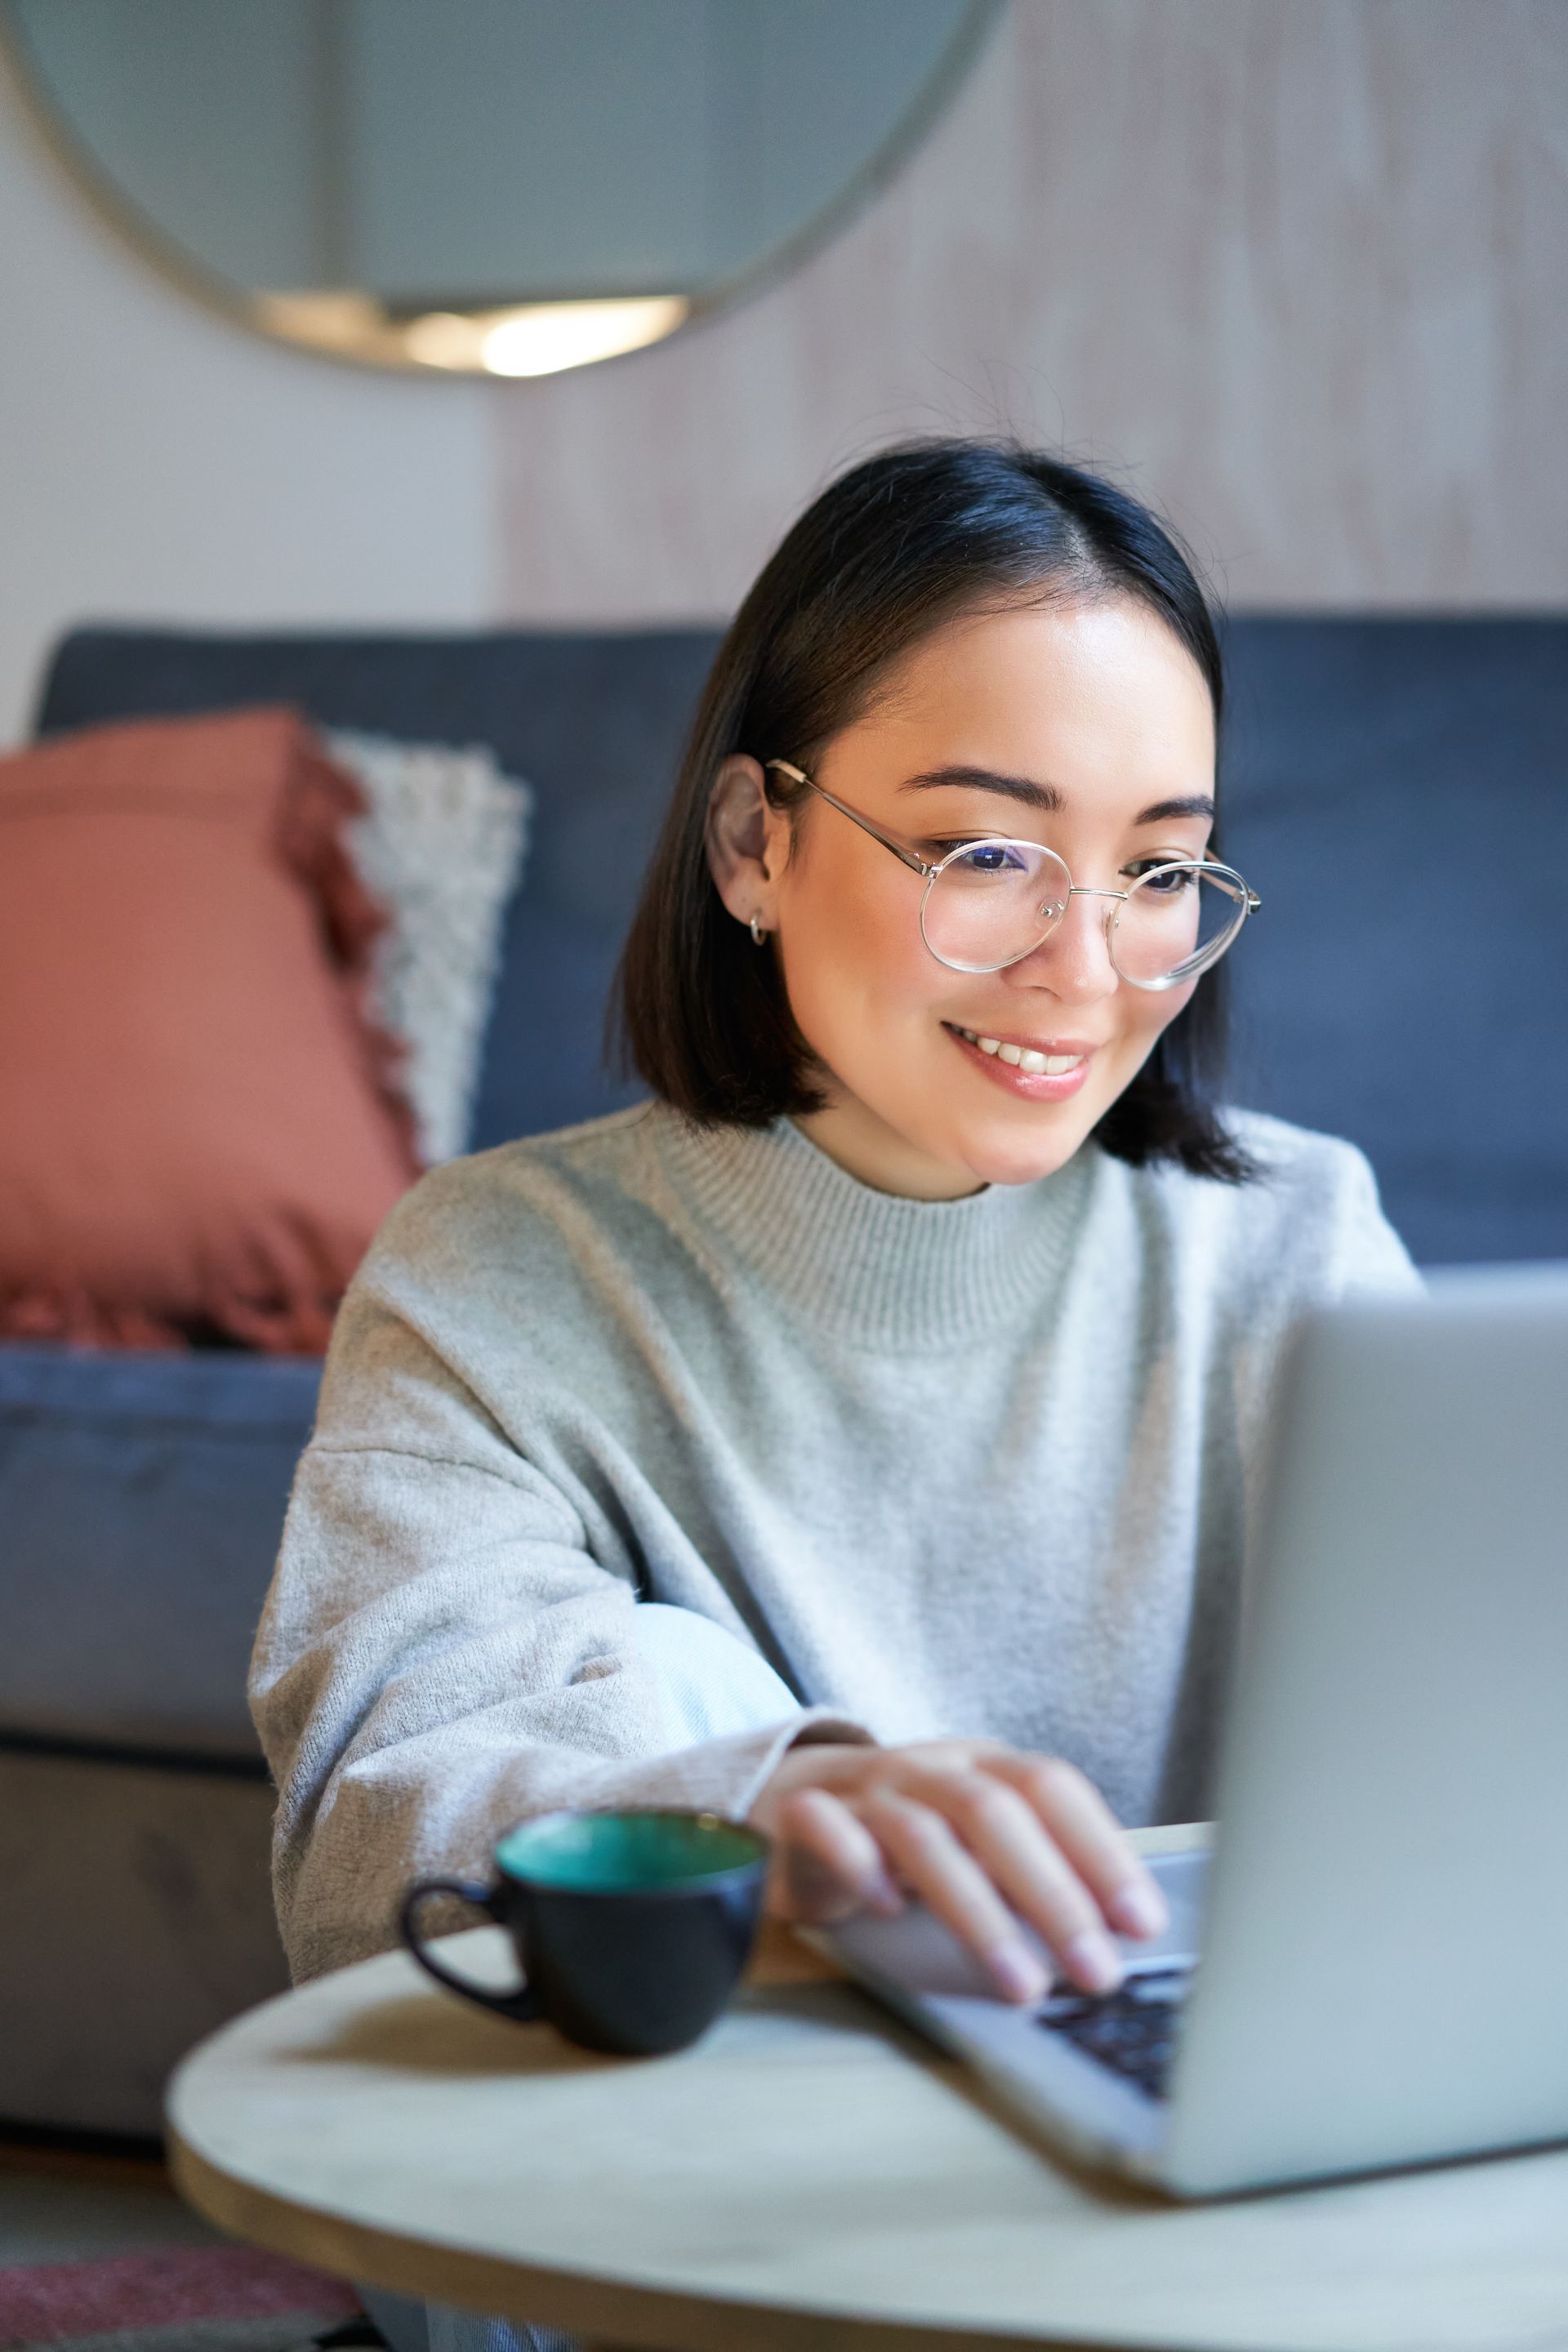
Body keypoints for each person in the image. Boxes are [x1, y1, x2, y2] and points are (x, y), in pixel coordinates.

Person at [250, 439, 1415, 2352]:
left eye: (1157, 871)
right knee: (663, 1687)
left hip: (1185, 2198)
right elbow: (383, 1828)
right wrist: (774, 1809)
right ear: (753, 846)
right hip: (714, 2183)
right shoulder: (491, 1276)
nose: (1085, 969)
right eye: (986, 852)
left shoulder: (1297, 1246)